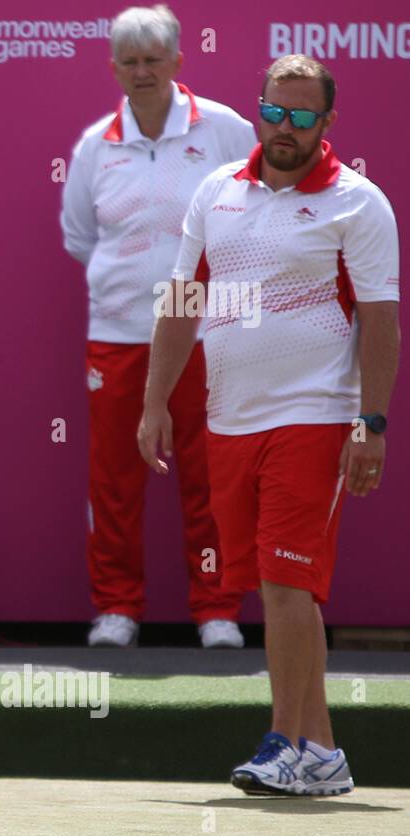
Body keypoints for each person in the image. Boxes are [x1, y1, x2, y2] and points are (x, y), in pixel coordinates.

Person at [139, 55, 400, 795]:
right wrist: (156, 400)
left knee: (288, 583)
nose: (284, 129)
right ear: (259, 110)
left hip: (315, 416)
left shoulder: (359, 203)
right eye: (273, 113)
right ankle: (321, 750)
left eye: (301, 117)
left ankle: (283, 742)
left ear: (327, 124)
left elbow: (382, 323)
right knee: (277, 588)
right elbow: (183, 300)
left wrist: (369, 421)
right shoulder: (216, 191)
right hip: (229, 421)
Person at [61, 4, 255, 649]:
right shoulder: (95, 146)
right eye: (130, 61)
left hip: (208, 335)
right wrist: (137, 294)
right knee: (114, 479)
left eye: (153, 60)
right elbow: (80, 237)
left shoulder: (225, 130)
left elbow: (259, 216)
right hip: (118, 337)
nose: (142, 72)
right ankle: (117, 608)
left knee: (210, 474)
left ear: (178, 61)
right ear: (113, 66)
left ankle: (218, 608)